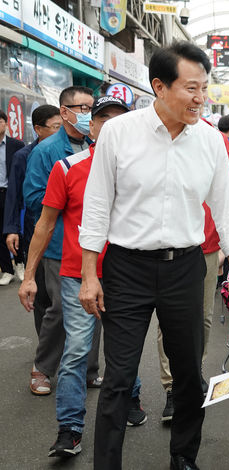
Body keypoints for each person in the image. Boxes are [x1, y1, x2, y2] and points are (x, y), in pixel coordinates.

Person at [78, 41, 229, 470]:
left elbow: (227, 210)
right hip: (126, 268)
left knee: (189, 373)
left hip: (186, 268)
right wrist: (88, 274)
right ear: (159, 86)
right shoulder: (119, 134)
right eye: (191, 88)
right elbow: (96, 207)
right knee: (117, 378)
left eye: (204, 88)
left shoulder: (210, 141)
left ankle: (184, 458)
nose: (199, 98)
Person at [18, 96, 147, 459]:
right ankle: (69, 429)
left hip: (128, 275)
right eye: (101, 118)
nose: (109, 125)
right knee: (76, 351)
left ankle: (131, 397)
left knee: (124, 347)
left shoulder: (142, 170)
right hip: (77, 275)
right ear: (91, 126)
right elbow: (44, 224)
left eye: (118, 119)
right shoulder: (67, 167)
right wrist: (29, 276)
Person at [157, 113, 229, 424]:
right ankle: (173, 388)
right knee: (168, 320)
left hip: (208, 246)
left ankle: (192, 374)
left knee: (203, 318)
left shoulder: (214, 139)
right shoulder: (155, 132)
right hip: (165, 247)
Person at [23, 86, 102, 396]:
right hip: (60, 245)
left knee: (95, 307)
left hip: (95, 245)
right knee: (60, 310)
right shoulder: (46, 151)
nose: (87, 114)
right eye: (81, 108)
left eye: (90, 108)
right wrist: (68, 200)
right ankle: (41, 368)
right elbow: (33, 200)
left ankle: (89, 370)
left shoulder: (99, 148)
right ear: (65, 111)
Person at [4, 105, 62, 283]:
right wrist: (12, 229)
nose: (60, 132)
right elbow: (13, 193)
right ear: (38, 129)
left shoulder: (66, 149)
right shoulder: (24, 155)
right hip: (34, 223)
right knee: (40, 276)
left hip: (62, 226)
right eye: (56, 127)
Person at [0, 110, 26, 285]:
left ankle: (20, 264)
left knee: (14, 229)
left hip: (11, 193)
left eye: (0, 121)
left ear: (6, 123)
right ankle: (7, 270)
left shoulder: (16, 145)